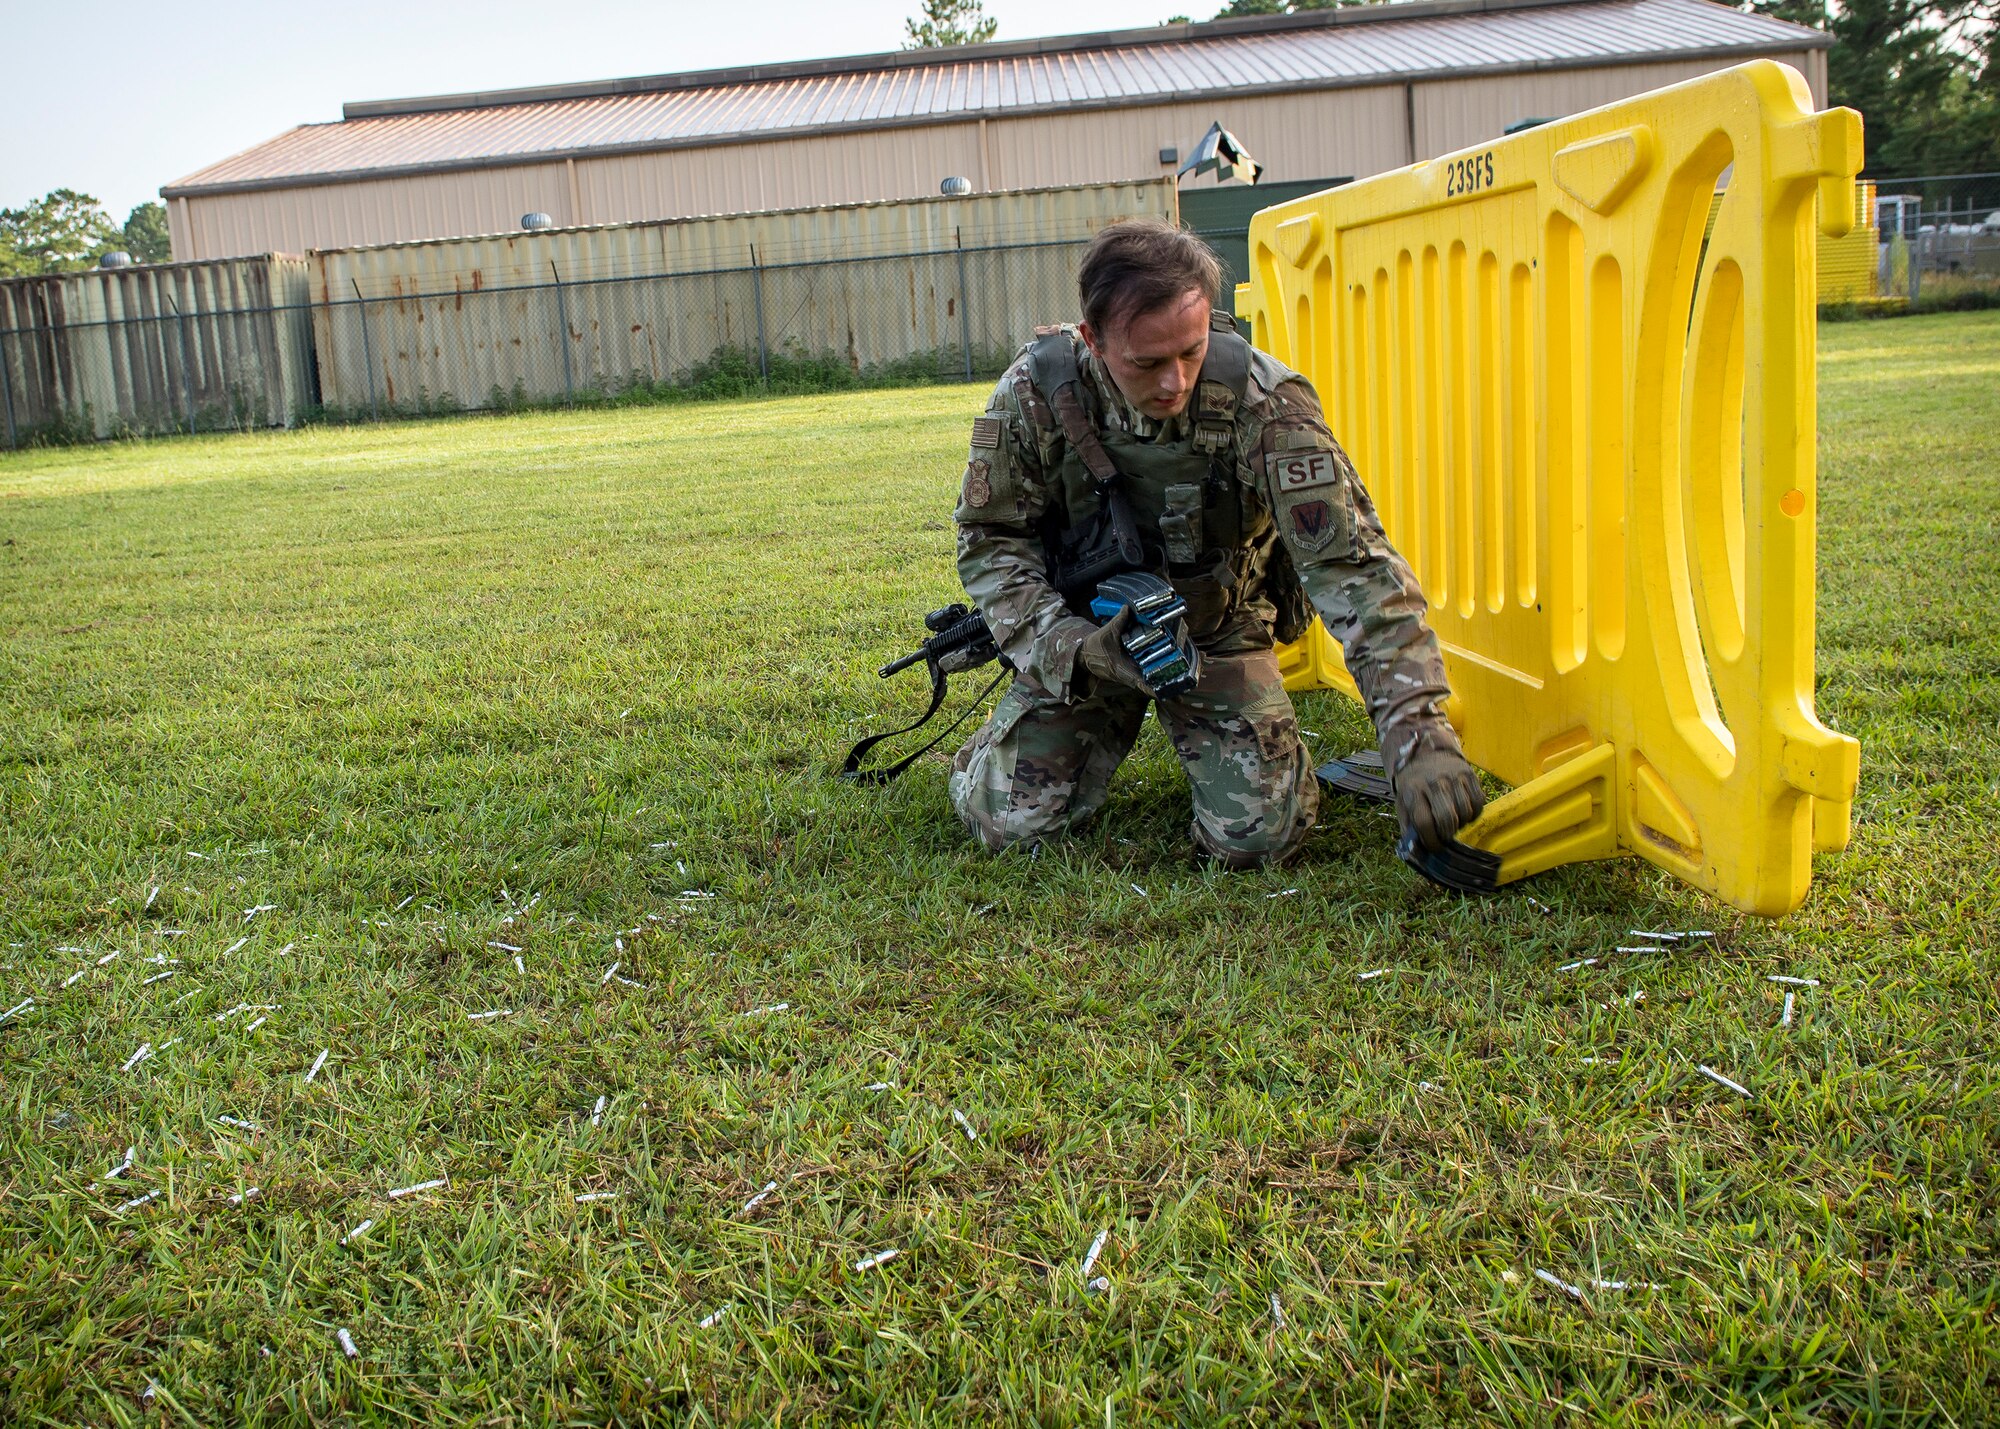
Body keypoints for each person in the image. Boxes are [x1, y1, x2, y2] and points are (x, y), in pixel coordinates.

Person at [947, 218, 1483, 868]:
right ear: (1091, 338)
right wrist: (1072, 647)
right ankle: (996, 748)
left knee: (1260, 841)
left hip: (1216, 628)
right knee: (1005, 824)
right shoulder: (1034, 395)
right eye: (1147, 362)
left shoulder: (1266, 406)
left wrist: (1415, 729)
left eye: (1191, 352)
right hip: (1085, 636)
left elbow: (1357, 572)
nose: (1175, 381)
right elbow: (990, 538)